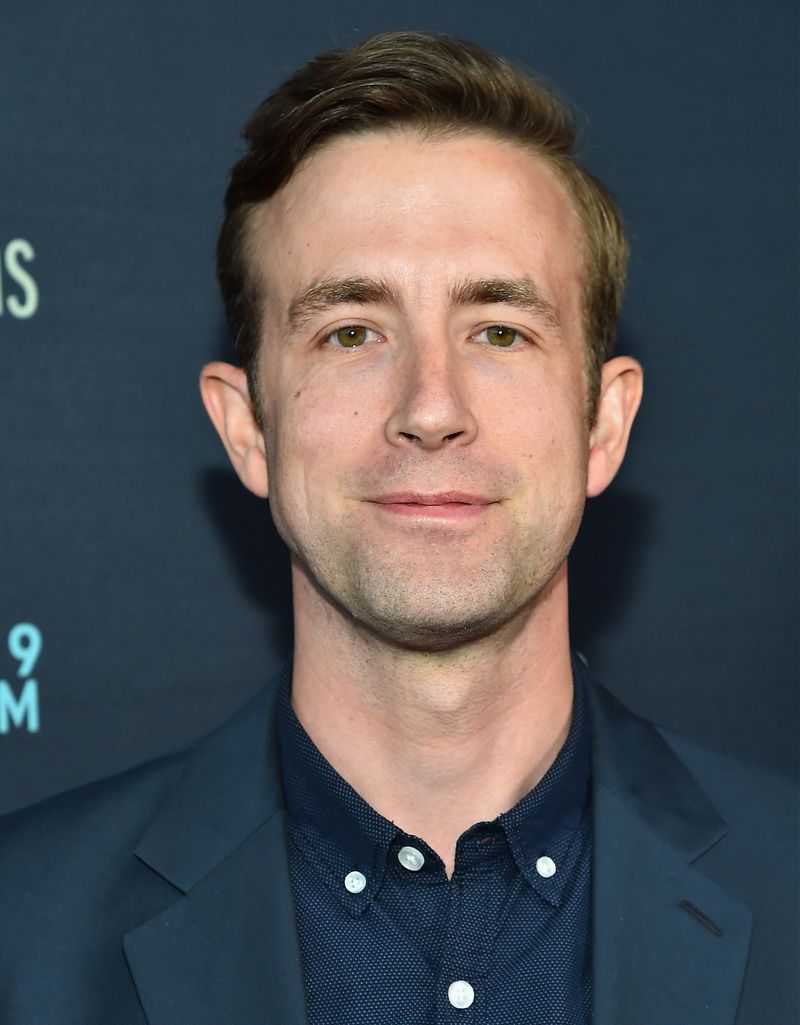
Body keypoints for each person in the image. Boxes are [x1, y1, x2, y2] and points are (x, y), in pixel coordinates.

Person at [0, 30, 796, 1025]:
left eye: (499, 330)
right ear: (247, 427)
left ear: (605, 421)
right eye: (351, 331)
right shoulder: (19, 932)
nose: (429, 405)